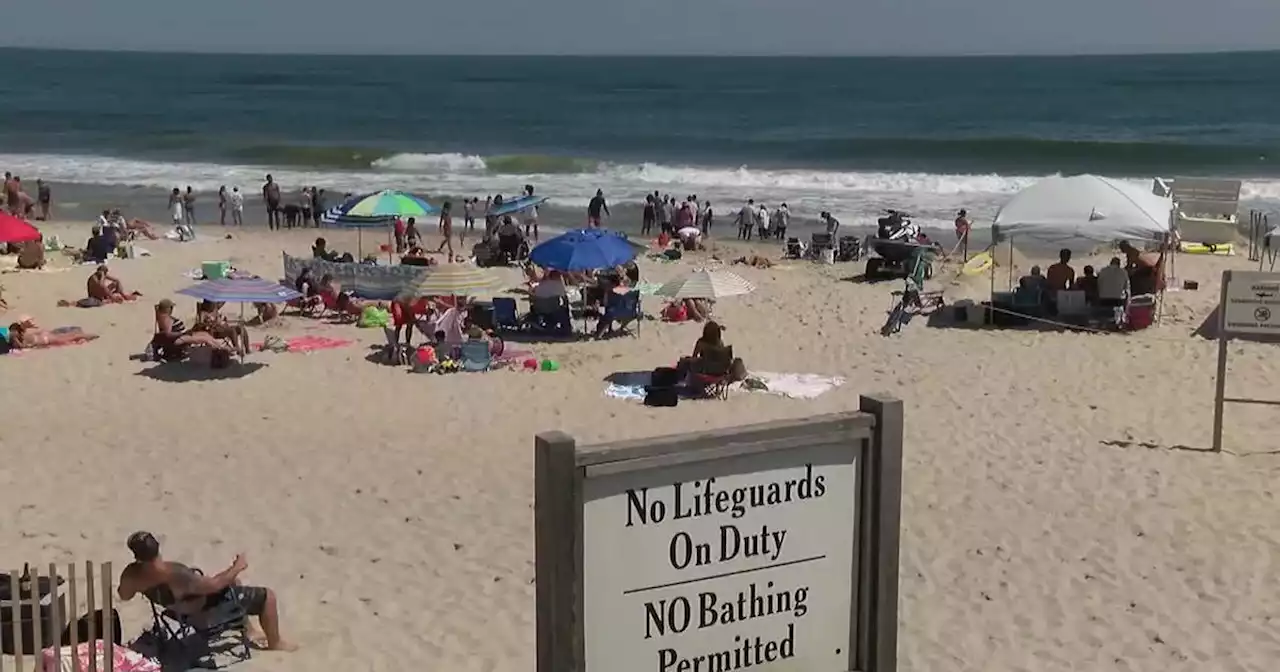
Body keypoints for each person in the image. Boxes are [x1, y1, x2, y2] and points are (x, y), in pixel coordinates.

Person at [117, 531, 297, 652]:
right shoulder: (174, 573)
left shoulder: (132, 575)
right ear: (157, 547)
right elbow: (214, 586)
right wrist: (237, 566)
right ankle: (276, 643)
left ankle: (249, 630)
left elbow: (124, 596)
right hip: (200, 611)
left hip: (174, 610)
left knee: (233, 582)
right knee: (267, 597)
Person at [152, 299, 230, 358]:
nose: (172, 309)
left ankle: (221, 348)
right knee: (204, 339)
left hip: (182, 335)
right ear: (168, 309)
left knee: (205, 334)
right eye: (171, 307)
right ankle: (221, 349)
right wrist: (182, 334)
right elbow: (167, 334)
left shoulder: (163, 316)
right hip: (178, 339)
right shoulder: (166, 319)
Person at [7, 322, 98, 349]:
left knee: (71, 337)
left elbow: (22, 346)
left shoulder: (14, 337)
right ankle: (91, 336)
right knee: (69, 336)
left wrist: (31, 346)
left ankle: (93, 336)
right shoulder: (19, 334)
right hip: (42, 335)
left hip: (44, 339)